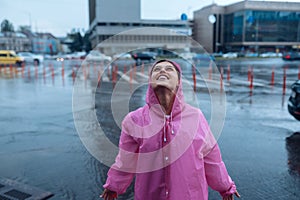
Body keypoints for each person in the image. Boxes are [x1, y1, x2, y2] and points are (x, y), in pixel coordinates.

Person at [100, 59, 240, 200]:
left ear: (179, 82)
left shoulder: (195, 117)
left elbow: (212, 158)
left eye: (169, 69)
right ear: (150, 81)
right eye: (157, 69)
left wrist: (226, 187)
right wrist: (113, 186)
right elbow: (125, 160)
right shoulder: (134, 120)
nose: (162, 71)